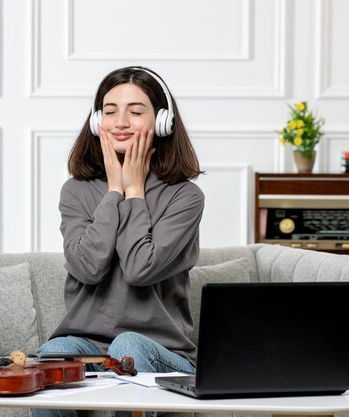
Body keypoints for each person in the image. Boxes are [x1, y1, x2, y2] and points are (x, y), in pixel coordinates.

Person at [34, 66, 204, 417]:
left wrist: (135, 191)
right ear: (98, 122)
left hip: (162, 351)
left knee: (128, 346)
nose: (120, 122)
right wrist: (114, 191)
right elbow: (88, 267)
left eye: (135, 111)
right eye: (110, 111)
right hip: (88, 345)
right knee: (52, 353)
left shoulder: (185, 197)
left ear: (162, 123)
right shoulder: (76, 191)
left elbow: (140, 269)